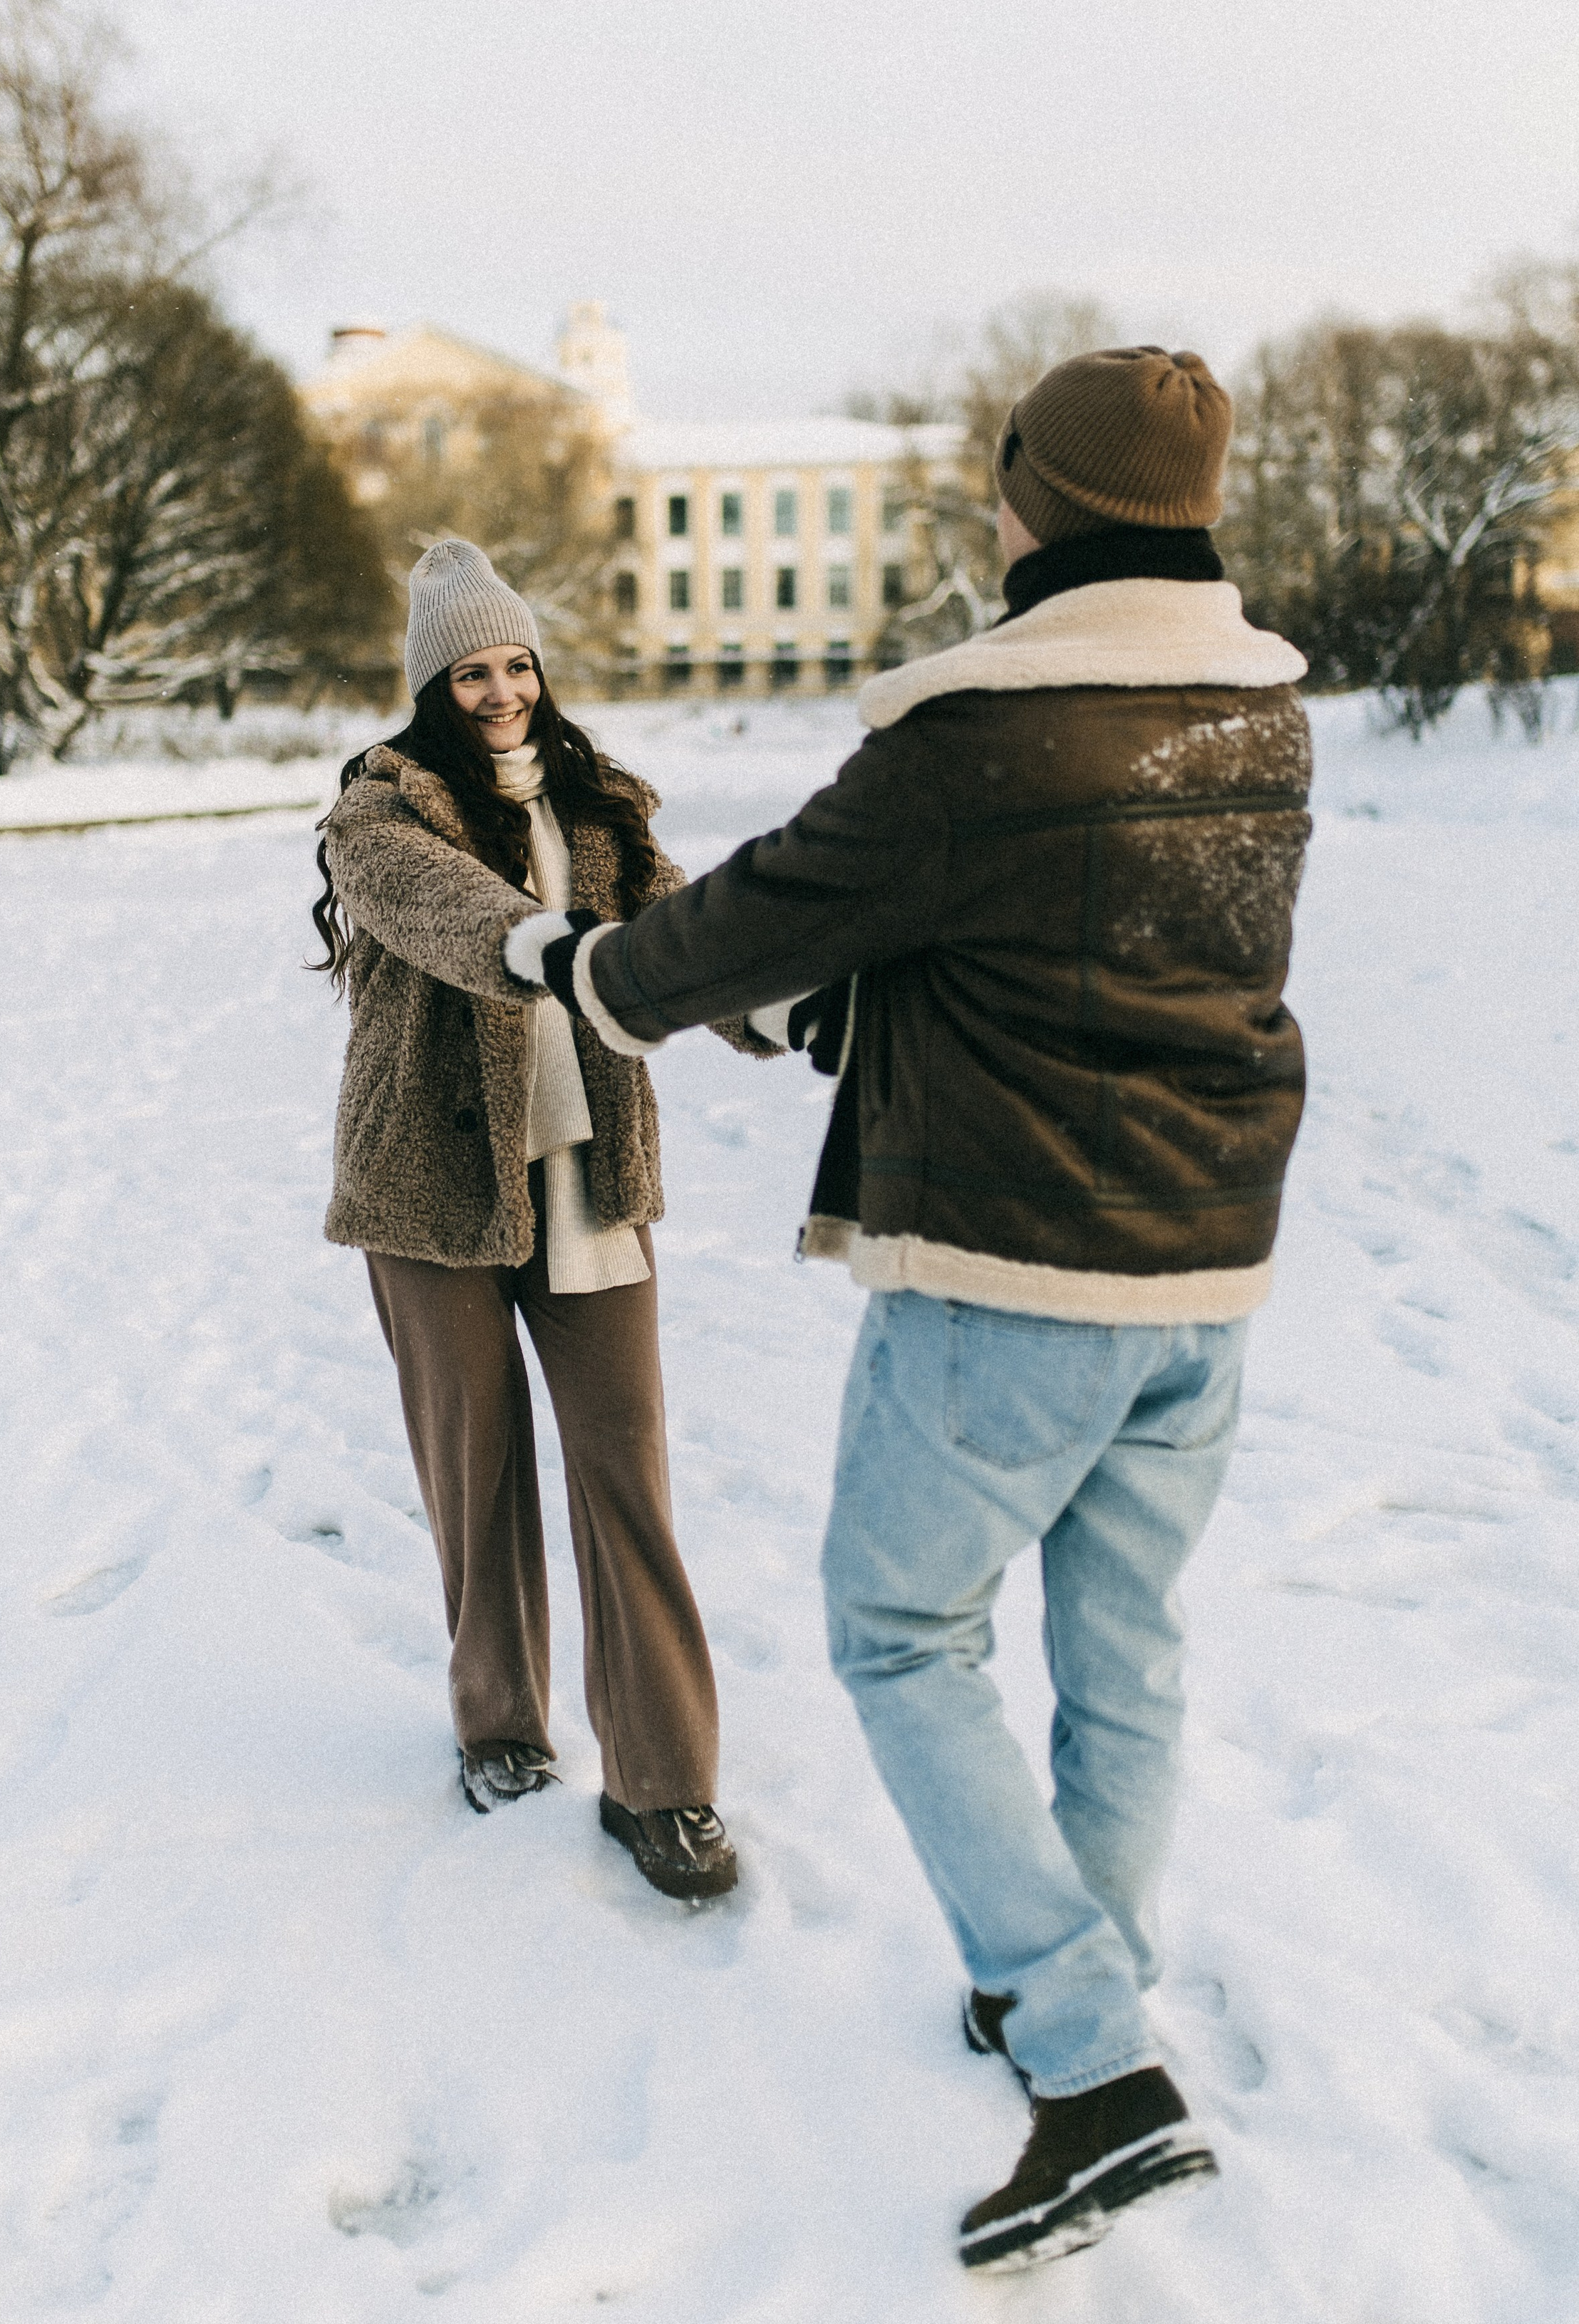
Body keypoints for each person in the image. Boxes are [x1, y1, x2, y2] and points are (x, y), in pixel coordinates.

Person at [508, 350, 1312, 2269]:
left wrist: (591, 964)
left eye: (1008, 480)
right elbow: (1072, 951)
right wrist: (850, 1006)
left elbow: (765, 908)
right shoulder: (1256, 716)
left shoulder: (981, 740)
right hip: (1207, 1265)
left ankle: (1091, 2067)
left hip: (1019, 1276)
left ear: (1038, 502)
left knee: (897, 1627)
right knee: (1123, 1644)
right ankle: (1063, 1979)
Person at [312, 538, 770, 1900]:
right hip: (432, 1185)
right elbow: (445, 913)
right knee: (483, 1469)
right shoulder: (380, 814)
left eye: (516, 663)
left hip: (588, 1176)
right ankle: (502, 1727)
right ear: (431, 687)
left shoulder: (602, 812)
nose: (502, 689)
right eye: (472, 670)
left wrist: (778, 1002)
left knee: (625, 1464)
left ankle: (667, 1784)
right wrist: (551, 947)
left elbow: (683, 941)